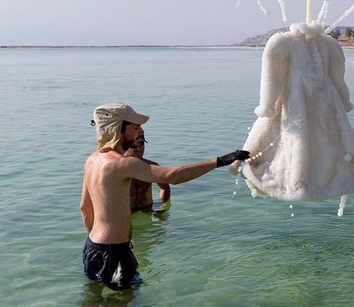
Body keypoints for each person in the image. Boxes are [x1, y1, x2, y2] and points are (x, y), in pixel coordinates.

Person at [81, 102, 249, 290]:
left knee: (93, 299)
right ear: (118, 129)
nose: (140, 131)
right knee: (124, 305)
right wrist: (220, 161)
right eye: (135, 127)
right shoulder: (122, 163)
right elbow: (172, 176)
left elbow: (84, 208)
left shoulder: (92, 160)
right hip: (114, 251)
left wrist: (98, 244)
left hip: (92, 247)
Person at [124, 138, 171, 212]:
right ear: (125, 147)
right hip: (126, 212)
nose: (139, 149)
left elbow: (165, 188)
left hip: (147, 210)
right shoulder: (117, 169)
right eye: (134, 146)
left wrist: (163, 208)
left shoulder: (151, 166)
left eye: (141, 144)